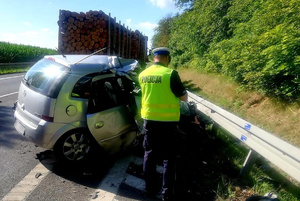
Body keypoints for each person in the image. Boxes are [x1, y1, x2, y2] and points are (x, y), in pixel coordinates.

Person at [138, 47, 188, 201]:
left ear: (155, 57)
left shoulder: (143, 74)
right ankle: (167, 194)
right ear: (167, 58)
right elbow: (183, 98)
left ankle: (149, 189)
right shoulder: (170, 74)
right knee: (169, 158)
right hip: (168, 122)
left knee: (150, 155)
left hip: (149, 121)